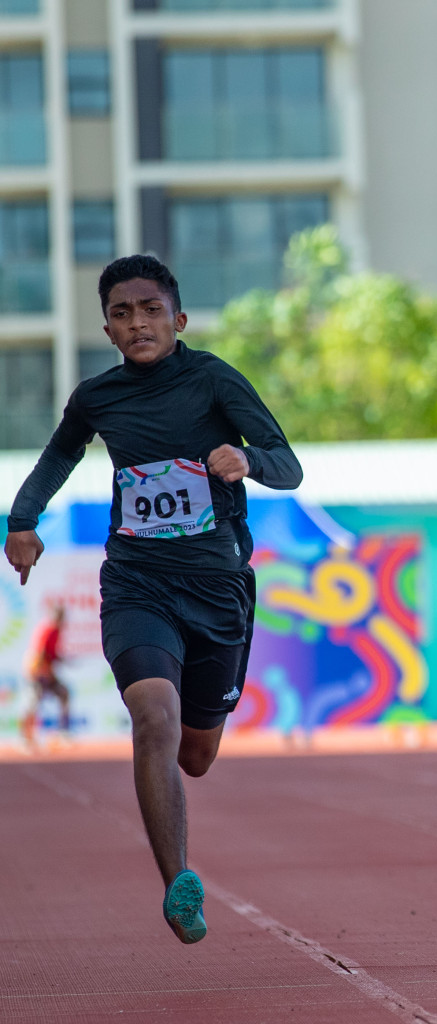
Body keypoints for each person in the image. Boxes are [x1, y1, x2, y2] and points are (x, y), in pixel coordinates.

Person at [3, 255, 302, 943]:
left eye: (150, 310)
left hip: (218, 587)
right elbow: (57, 457)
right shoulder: (97, 397)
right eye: (120, 313)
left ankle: (179, 861)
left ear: (178, 319)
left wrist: (249, 460)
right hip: (137, 583)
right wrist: (22, 522)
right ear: (107, 328)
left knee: (195, 753)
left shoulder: (213, 379)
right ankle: (179, 885)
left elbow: (288, 463)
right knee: (152, 717)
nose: (137, 323)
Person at [21, 603, 71, 750]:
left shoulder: (56, 631)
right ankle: (25, 737)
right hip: (36, 672)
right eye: (61, 617)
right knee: (32, 703)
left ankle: (62, 732)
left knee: (64, 694)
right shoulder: (47, 629)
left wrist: (62, 659)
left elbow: (52, 654)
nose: (63, 621)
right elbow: (39, 655)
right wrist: (46, 675)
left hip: (46, 671)